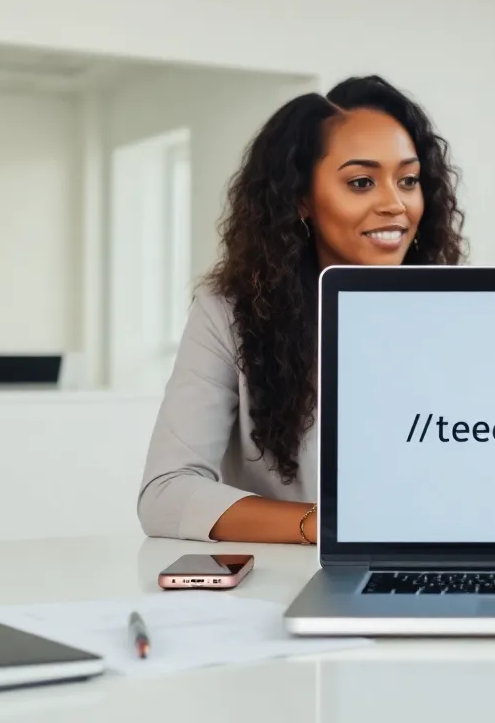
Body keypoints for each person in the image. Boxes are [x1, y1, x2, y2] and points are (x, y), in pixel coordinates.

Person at [136, 75, 467, 544]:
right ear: (302, 199)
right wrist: (324, 524)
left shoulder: (461, 313)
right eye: (361, 182)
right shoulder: (229, 315)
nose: (395, 204)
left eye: (408, 180)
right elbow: (166, 495)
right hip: (294, 580)